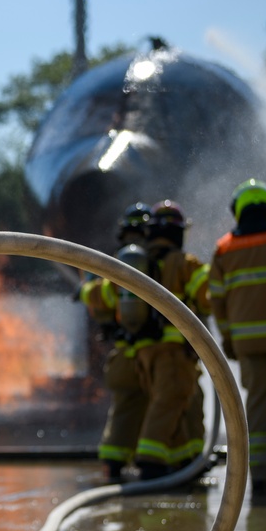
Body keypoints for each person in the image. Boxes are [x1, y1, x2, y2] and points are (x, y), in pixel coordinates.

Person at [209, 178, 266, 498]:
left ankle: (262, 479)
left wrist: (228, 339)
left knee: (257, 409)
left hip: (248, 345)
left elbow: (218, 301)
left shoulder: (225, 249)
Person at [134, 200, 210, 479]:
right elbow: (208, 295)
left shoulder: (138, 264)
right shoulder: (183, 263)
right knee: (170, 403)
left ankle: (186, 462)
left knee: (182, 404)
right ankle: (150, 463)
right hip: (173, 352)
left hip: (145, 352)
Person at [79, 202, 152, 483]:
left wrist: (86, 290)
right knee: (170, 405)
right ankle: (157, 465)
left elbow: (103, 300)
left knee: (124, 408)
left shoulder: (115, 265)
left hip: (123, 352)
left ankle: (113, 464)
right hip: (157, 352)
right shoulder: (154, 261)